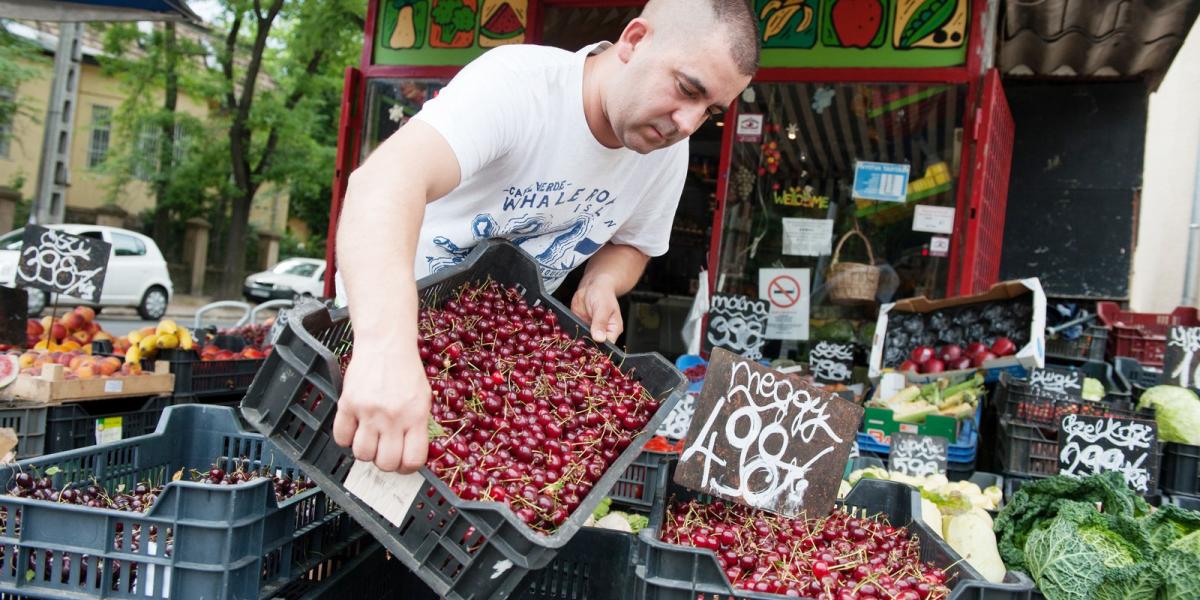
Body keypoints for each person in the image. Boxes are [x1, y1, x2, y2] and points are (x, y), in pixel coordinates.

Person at [333, 0, 760, 474]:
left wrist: (601, 283)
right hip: (378, 339)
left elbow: (635, 243)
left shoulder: (662, 155)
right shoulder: (521, 86)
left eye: (709, 112)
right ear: (635, 41)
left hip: (496, 361)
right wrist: (385, 352)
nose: (687, 124)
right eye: (686, 89)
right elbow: (383, 184)